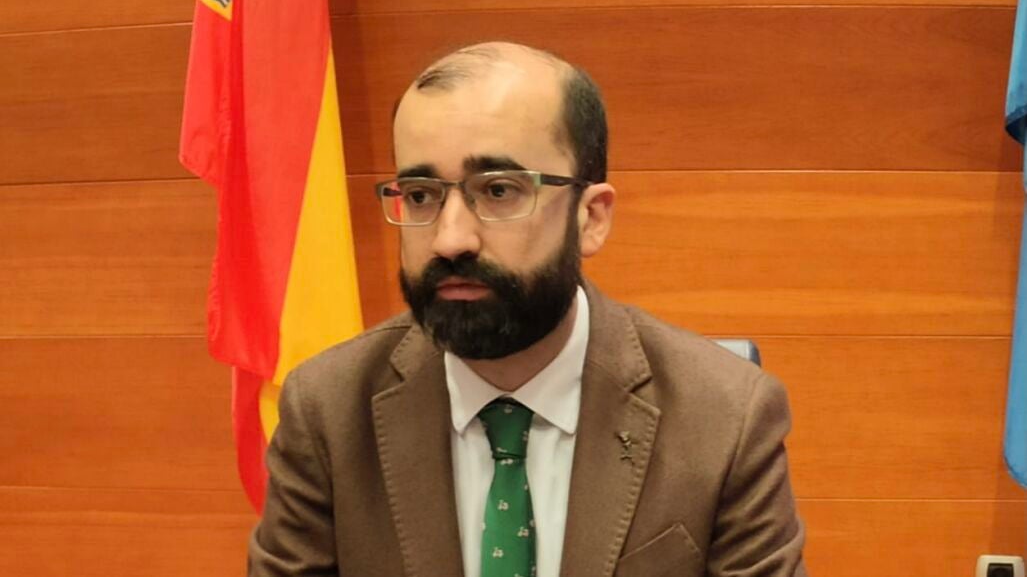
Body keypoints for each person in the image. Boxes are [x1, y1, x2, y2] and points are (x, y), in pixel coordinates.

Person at [248, 41, 807, 577]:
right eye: (420, 195)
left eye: (498, 190)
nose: (450, 239)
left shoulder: (724, 418)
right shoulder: (328, 409)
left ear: (591, 217)